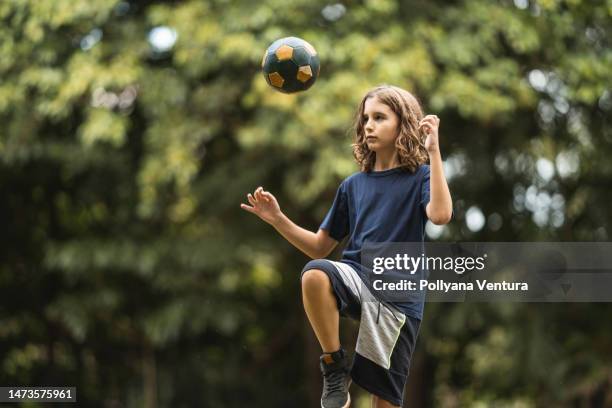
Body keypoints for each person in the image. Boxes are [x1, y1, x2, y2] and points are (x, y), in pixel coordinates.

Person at [241, 85, 452, 408]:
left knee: (383, 401)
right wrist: (278, 219)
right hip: (357, 275)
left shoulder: (421, 177)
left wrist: (434, 152)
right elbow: (319, 248)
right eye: (365, 118)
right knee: (315, 274)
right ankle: (334, 366)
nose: (368, 125)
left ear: (403, 124)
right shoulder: (353, 186)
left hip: (399, 296)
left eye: (379, 117)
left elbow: (440, 215)